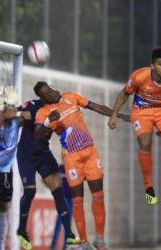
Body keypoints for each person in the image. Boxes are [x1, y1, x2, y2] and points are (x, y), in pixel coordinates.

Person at [33, 81, 129, 250]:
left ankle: (100, 239)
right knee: (77, 201)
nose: (51, 93)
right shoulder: (43, 112)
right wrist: (48, 123)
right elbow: (37, 136)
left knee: (98, 196)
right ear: (42, 98)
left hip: (90, 153)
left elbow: (96, 107)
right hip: (71, 158)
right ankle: (84, 242)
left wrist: (118, 114)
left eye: (50, 90)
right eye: (46, 94)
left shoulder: (71, 96)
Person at [108, 47, 161, 205]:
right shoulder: (139, 76)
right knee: (145, 143)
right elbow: (124, 94)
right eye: (160, 64)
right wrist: (115, 114)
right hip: (142, 111)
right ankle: (148, 186)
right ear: (152, 65)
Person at [16, 99, 81, 250]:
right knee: (30, 191)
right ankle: (22, 230)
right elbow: (16, 113)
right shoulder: (33, 106)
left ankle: (69, 237)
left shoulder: (58, 113)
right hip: (27, 154)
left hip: (44, 154)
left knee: (59, 195)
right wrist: (19, 116)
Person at [0, 86, 31, 250]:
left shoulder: (15, 122)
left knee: (4, 211)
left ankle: (0, 247)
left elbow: (28, 116)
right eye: (4, 108)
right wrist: (4, 109)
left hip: (6, 173)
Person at [50, 164, 73, 250]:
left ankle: (64, 246)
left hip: (70, 199)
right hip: (62, 199)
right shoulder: (60, 168)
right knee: (58, 223)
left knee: (66, 225)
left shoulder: (73, 166)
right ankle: (53, 245)